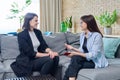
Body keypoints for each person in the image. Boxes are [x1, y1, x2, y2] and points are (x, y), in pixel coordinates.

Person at [11, 13, 59, 77]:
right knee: (49, 60)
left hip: (37, 58)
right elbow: (30, 53)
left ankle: (50, 77)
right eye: (36, 21)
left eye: (37, 20)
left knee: (56, 58)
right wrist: (48, 54)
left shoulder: (37, 32)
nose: (37, 22)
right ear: (29, 21)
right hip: (28, 60)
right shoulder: (21, 35)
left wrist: (51, 52)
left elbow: (44, 45)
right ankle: (43, 78)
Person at [63, 15, 108, 80]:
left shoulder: (97, 36)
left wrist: (75, 53)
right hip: (86, 59)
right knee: (74, 61)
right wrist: (72, 48)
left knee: (73, 62)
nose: (80, 24)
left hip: (95, 61)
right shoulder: (82, 35)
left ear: (88, 23)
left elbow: (93, 55)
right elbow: (82, 50)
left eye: (82, 22)